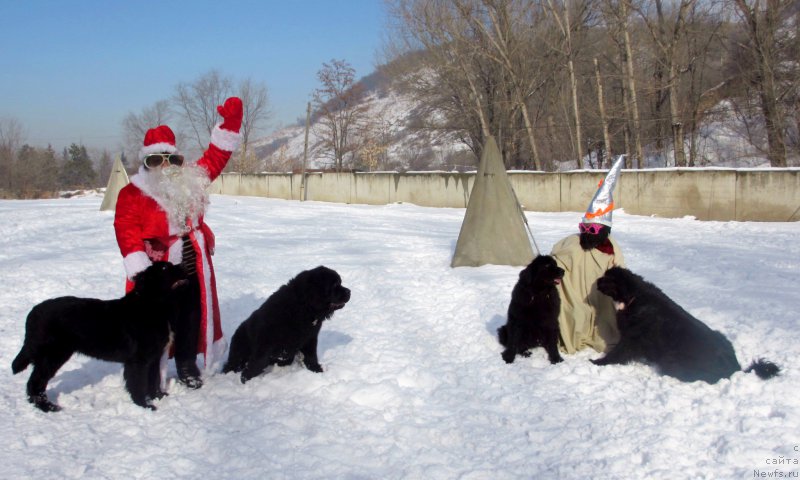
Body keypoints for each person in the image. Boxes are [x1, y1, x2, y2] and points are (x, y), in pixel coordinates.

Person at [113, 97, 242, 389]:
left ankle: (186, 362)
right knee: (155, 322)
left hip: (191, 264)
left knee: (191, 315)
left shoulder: (190, 181)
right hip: (156, 272)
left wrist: (230, 125)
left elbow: (216, 157)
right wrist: (138, 263)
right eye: (155, 160)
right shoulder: (132, 194)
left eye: (171, 159)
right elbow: (125, 228)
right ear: (146, 162)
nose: (165, 166)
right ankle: (147, 370)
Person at [551, 156, 626, 355]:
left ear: (604, 231)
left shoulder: (612, 249)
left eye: (592, 229)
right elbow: (556, 261)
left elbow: (622, 276)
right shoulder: (572, 243)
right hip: (575, 297)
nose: (586, 233)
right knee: (575, 313)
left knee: (606, 326)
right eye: (584, 227)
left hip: (601, 301)